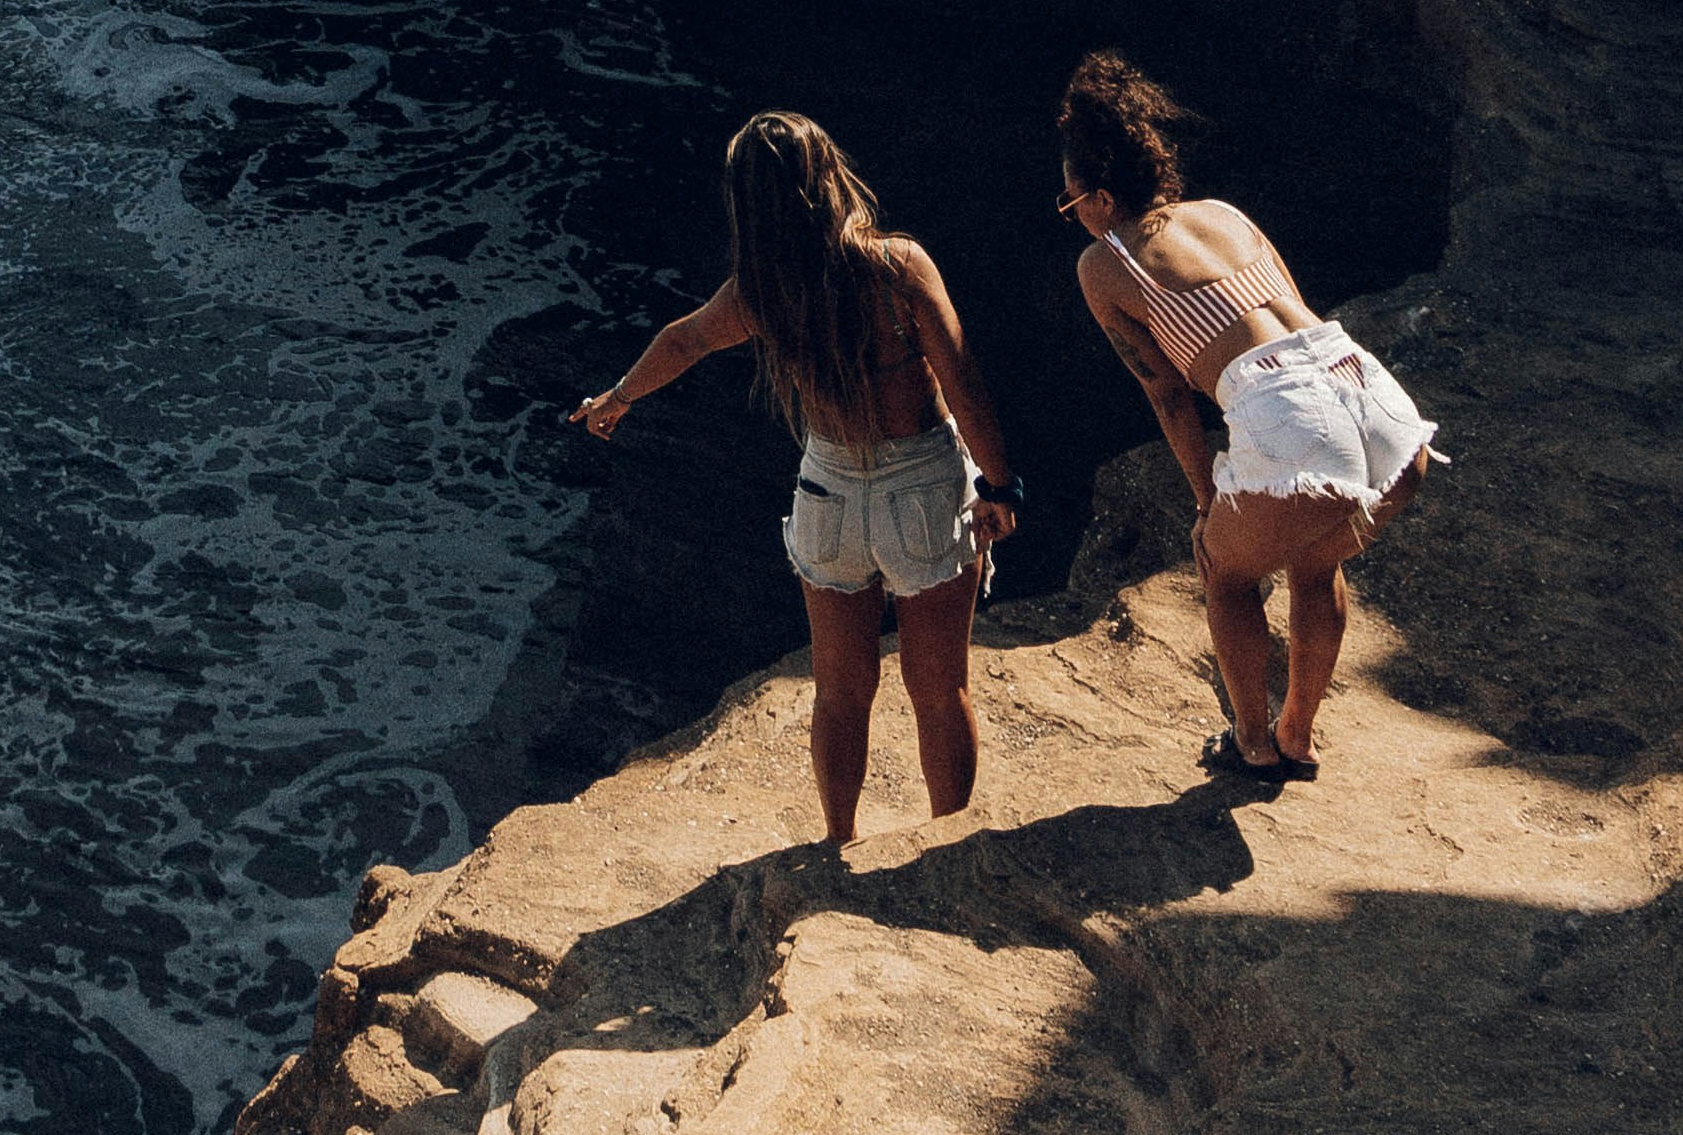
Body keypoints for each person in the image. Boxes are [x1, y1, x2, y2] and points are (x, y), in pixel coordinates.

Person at [575, 109, 1018, 851]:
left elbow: (685, 338)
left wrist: (618, 398)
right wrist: (1001, 485)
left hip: (828, 494)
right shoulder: (896, 267)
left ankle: (838, 839)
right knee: (941, 691)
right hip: (921, 484)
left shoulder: (762, 292)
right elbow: (961, 375)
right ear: (826, 176)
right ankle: (947, 852)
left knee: (841, 691)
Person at [1055, 48, 1433, 787]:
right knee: (1314, 555)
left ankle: (1254, 742)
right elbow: (1304, 327)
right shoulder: (1225, 213)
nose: (1072, 218)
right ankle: (1299, 732)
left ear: (1098, 199)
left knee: (1223, 567)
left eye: (1069, 204)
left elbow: (1166, 393)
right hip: (1375, 399)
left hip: (1292, 411)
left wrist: (1206, 497)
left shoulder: (1105, 262)